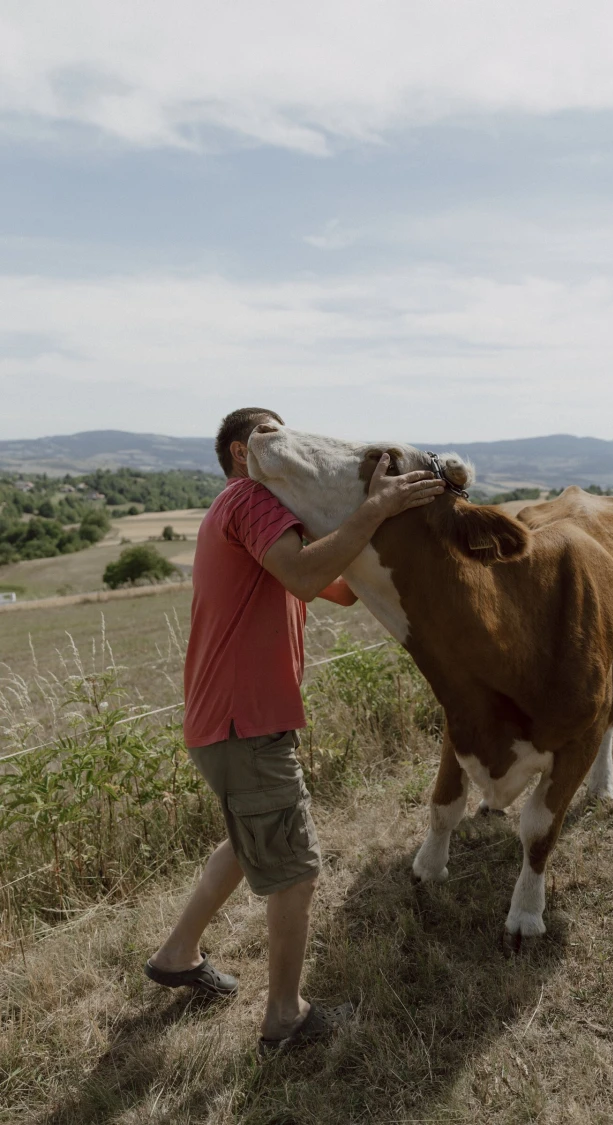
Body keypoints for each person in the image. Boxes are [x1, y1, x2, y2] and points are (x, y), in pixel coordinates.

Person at [144, 407, 444, 1051]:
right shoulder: (250, 500)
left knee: (247, 843)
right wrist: (375, 511)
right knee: (297, 868)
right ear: (237, 454)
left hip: (231, 722)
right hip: (243, 724)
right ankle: (285, 1018)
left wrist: (383, 521)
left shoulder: (249, 512)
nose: (281, 445)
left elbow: (335, 585)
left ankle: (176, 955)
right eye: (265, 437)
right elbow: (308, 576)